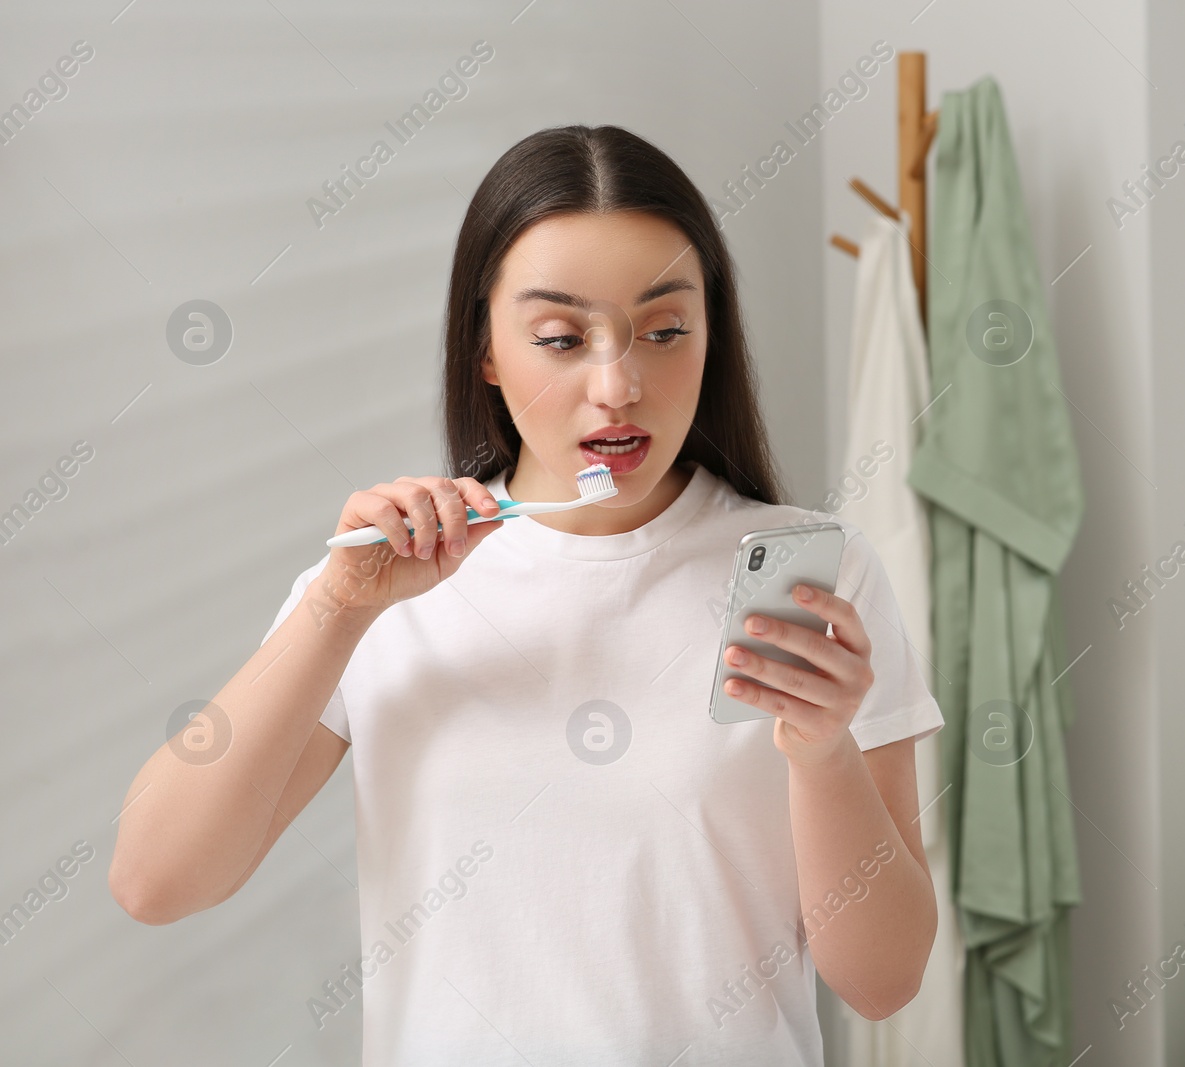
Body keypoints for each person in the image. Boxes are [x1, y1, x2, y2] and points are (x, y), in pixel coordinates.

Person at [107, 125, 945, 1065]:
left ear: (713, 335)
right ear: (487, 352)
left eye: (665, 330)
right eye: (559, 338)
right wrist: (336, 612)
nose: (618, 384)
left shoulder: (813, 576)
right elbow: (154, 879)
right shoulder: (381, 589)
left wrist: (824, 753)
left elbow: (885, 983)